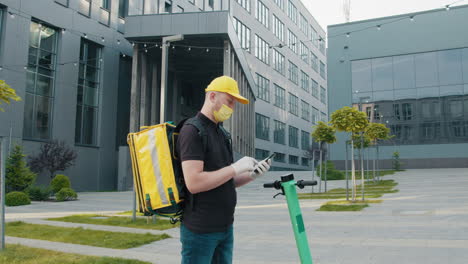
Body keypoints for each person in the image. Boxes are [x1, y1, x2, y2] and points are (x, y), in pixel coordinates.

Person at [176, 76, 271, 264]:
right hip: (200, 231)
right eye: (229, 101)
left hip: (225, 228)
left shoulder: (222, 133)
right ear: (212, 96)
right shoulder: (192, 131)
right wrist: (235, 167)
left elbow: (226, 179)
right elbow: (194, 183)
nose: (232, 108)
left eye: (234, 103)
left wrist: (251, 175)